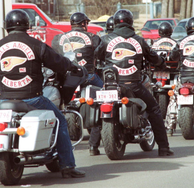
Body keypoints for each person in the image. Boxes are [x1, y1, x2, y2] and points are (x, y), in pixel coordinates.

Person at [0, 9, 85, 178]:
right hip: (32, 98)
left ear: (7, 27)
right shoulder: (35, 44)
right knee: (60, 120)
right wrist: (72, 66)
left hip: (3, 100)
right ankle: (68, 166)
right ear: (27, 26)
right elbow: (58, 62)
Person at [95, 9, 174, 156]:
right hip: (133, 84)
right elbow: (153, 57)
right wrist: (162, 63)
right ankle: (163, 148)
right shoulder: (139, 40)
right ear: (130, 22)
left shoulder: (106, 39)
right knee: (155, 110)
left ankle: (93, 146)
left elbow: (96, 56)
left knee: (97, 104)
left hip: (110, 86)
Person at [67, 12, 103, 156]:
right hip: (88, 76)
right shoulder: (93, 38)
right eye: (86, 23)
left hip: (68, 78)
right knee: (104, 100)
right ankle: (93, 146)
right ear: (83, 24)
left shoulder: (60, 38)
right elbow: (101, 54)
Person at [152, 22, 178, 135]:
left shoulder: (155, 43)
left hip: (156, 69)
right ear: (170, 31)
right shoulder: (175, 43)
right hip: (171, 70)